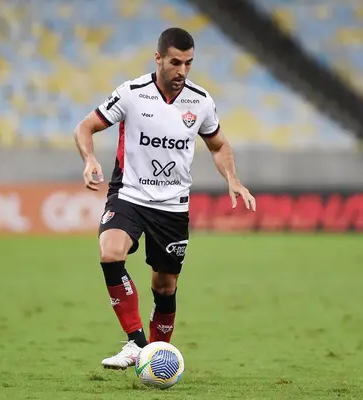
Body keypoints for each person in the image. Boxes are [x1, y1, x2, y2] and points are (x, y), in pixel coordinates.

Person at [73, 27, 256, 370]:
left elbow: (218, 145)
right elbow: (85, 127)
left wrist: (233, 179)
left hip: (172, 207)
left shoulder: (200, 101)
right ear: (158, 59)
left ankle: (155, 361)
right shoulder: (132, 93)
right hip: (129, 194)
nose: (182, 71)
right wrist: (90, 159)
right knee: (110, 252)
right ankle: (137, 344)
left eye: (189, 63)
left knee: (165, 285)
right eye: (175, 62)